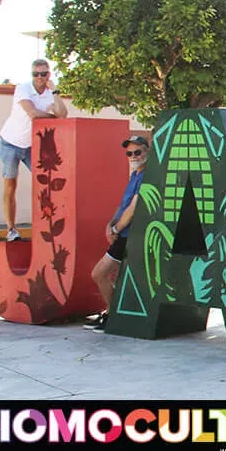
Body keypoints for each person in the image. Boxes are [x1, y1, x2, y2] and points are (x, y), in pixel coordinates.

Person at [83, 136, 149, 333]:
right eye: (130, 153)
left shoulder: (147, 176)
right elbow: (123, 205)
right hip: (122, 233)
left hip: (130, 235)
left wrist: (116, 229)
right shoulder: (135, 175)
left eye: (138, 152)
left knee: (99, 273)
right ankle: (113, 312)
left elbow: (134, 207)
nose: (133, 156)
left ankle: (113, 314)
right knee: (118, 277)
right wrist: (110, 224)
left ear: (147, 151)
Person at [0, 59, 68, 241]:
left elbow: (63, 114)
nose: (39, 77)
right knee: (10, 185)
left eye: (43, 74)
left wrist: (56, 92)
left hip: (31, 145)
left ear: (48, 75)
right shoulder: (23, 89)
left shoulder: (50, 93)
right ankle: (11, 229)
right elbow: (33, 114)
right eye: (35, 74)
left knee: (46, 183)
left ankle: (47, 225)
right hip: (10, 142)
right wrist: (53, 117)